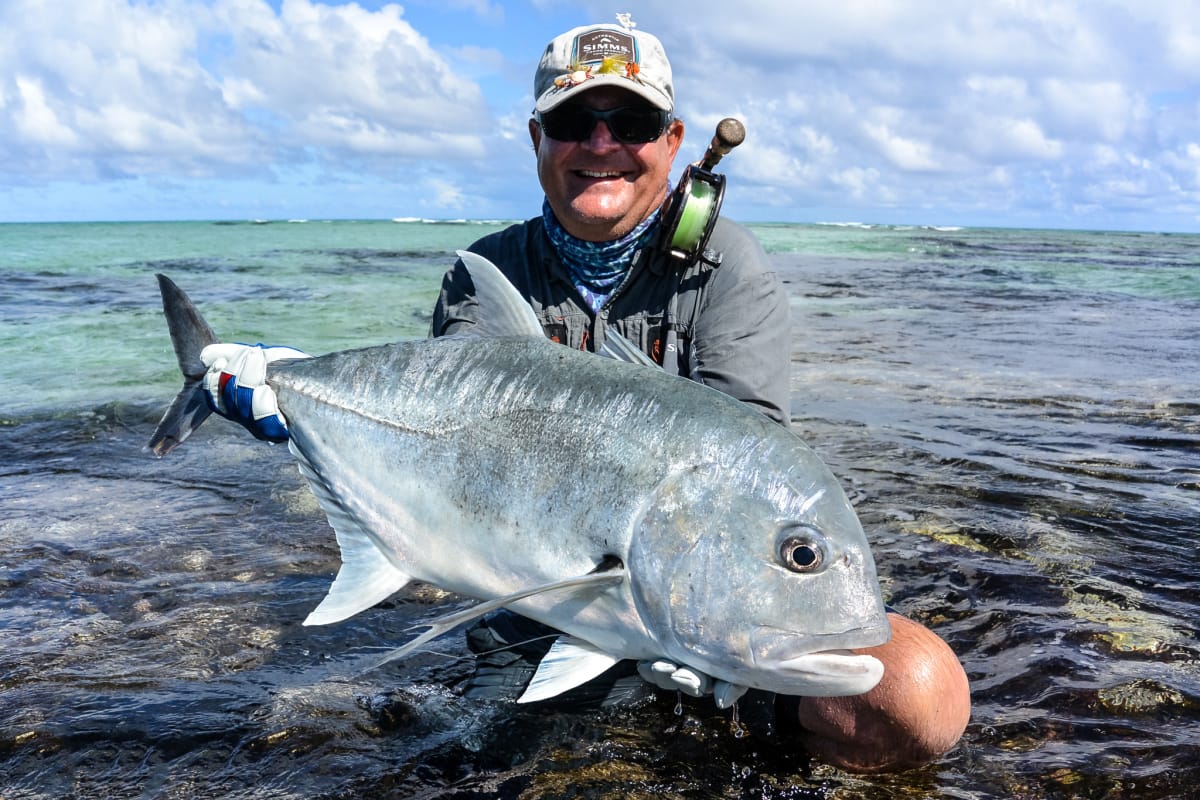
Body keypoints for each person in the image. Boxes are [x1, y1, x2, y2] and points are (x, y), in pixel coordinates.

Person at [199, 17, 970, 774]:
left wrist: (713, 623)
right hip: (543, 597)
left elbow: (745, 460)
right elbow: (444, 439)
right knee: (485, 759)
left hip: (684, 603)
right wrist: (293, 396)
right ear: (537, 138)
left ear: (671, 141)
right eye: (574, 120)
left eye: (631, 120)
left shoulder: (728, 270)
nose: (601, 145)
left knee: (913, 697)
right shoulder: (488, 271)